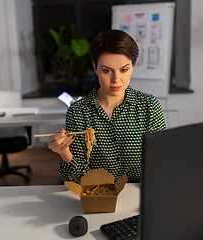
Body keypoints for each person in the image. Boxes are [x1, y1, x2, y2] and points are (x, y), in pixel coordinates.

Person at [48, 29, 166, 183]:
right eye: (106, 71)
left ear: (133, 66)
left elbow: (161, 162)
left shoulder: (149, 106)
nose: (116, 79)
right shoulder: (78, 112)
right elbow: (74, 179)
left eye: (124, 70)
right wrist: (65, 153)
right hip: (96, 195)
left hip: (139, 195)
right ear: (95, 68)